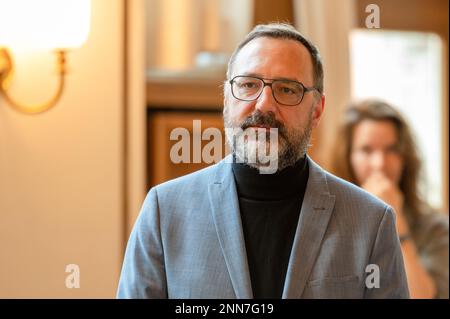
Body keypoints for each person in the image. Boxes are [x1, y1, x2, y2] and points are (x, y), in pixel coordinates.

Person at [117, 23, 409, 299]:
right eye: (248, 85)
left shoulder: (372, 222)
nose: (264, 104)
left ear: (317, 109)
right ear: (226, 99)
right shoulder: (164, 211)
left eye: (287, 89)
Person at [328, 99, 449, 299]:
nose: (380, 164)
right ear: (348, 156)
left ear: (405, 157)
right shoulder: (327, 221)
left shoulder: (434, 228)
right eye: (367, 150)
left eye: (391, 150)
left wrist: (395, 222)